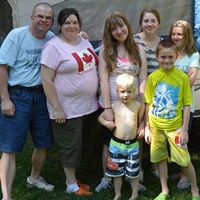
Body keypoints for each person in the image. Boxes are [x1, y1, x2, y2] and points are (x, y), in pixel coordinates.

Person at [0, 3, 55, 200]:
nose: (43, 20)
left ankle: (34, 178)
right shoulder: (16, 36)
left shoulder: (51, 38)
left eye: (48, 18)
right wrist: (5, 99)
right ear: (32, 18)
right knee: (10, 149)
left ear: (52, 21)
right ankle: (7, 196)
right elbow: (2, 67)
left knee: (44, 142)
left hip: (41, 96)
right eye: (40, 16)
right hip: (18, 95)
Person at [41, 7, 98, 196]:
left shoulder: (83, 40)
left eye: (75, 23)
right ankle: (71, 185)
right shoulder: (53, 47)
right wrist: (57, 109)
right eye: (67, 23)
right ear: (59, 25)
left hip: (88, 106)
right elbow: (46, 80)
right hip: (67, 108)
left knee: (81, 145)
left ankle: (74, 179)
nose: (71, 26)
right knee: (69, 146)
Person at [95, 11, 147, 192]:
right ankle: (107, 177)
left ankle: (135, 174)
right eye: (114, 28)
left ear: (127, 26)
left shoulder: (138, 49)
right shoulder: (105, 49)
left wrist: (142, 106)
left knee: (135, 140)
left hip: (134, 105)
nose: (119, 31)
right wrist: (108, 108)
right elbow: (103, 79)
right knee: (109, 143)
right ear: (109, 32)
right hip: (111, 103)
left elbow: (142, 78)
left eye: (121, 26)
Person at [144, 39, 200, 200]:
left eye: (170, 57)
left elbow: (187, 105)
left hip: (175, 128)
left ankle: (195, 191)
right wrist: (147, 127)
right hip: (156, 128)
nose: (167, 61)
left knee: (184, 160)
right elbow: (148, 103)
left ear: (176, 57)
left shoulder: (182, 78)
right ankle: (164, 190)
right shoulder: (153, 77)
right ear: (157, 57)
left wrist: (183, 130)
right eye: (163, 57)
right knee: (160, 158)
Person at [98, 73, 141, 200]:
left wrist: (142, 127)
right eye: (122, 92)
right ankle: (118, 193)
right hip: (116, 144)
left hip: (132, 145)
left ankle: (134, 194)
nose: (126, 95)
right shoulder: (114, 106)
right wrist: (106, 123)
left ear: (134, 91)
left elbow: (144, 119)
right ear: (117, 91)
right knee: (116, 172)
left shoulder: (137, 106)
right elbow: (100, 117)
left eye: (129, 91)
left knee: (133, 172)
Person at [169, 20, 200, 190]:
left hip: (185, 107)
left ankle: (184, 174)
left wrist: (173, 81)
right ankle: (181, 168)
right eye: (173, 33)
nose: (175, 37)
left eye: (179, 34)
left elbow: (191, 81)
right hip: (169, 106)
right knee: (174, 140)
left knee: (183, 140)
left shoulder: (193, 55)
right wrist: (182, 78)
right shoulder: (169, 52)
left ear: (187, 35)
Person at [134, 8, 162, 180]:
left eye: (153, 21)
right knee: (138, 130)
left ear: (158, 23)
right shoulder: (134, 41)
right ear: (141, 23)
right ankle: (138, 167)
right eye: (146, 21)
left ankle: (155, 165)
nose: (149, 24)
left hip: (159, 95)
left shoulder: (163, 42)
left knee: (155, 128)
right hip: (138, 91)